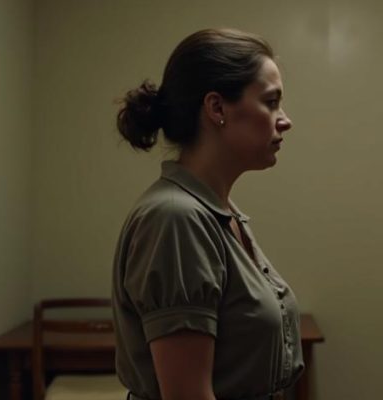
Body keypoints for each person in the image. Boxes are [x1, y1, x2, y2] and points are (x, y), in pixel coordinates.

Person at [111, 28, 302, 400]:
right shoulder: (176, 220)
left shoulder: (217, 213)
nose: (284, 120)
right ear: (217, 108)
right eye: (271, 102)